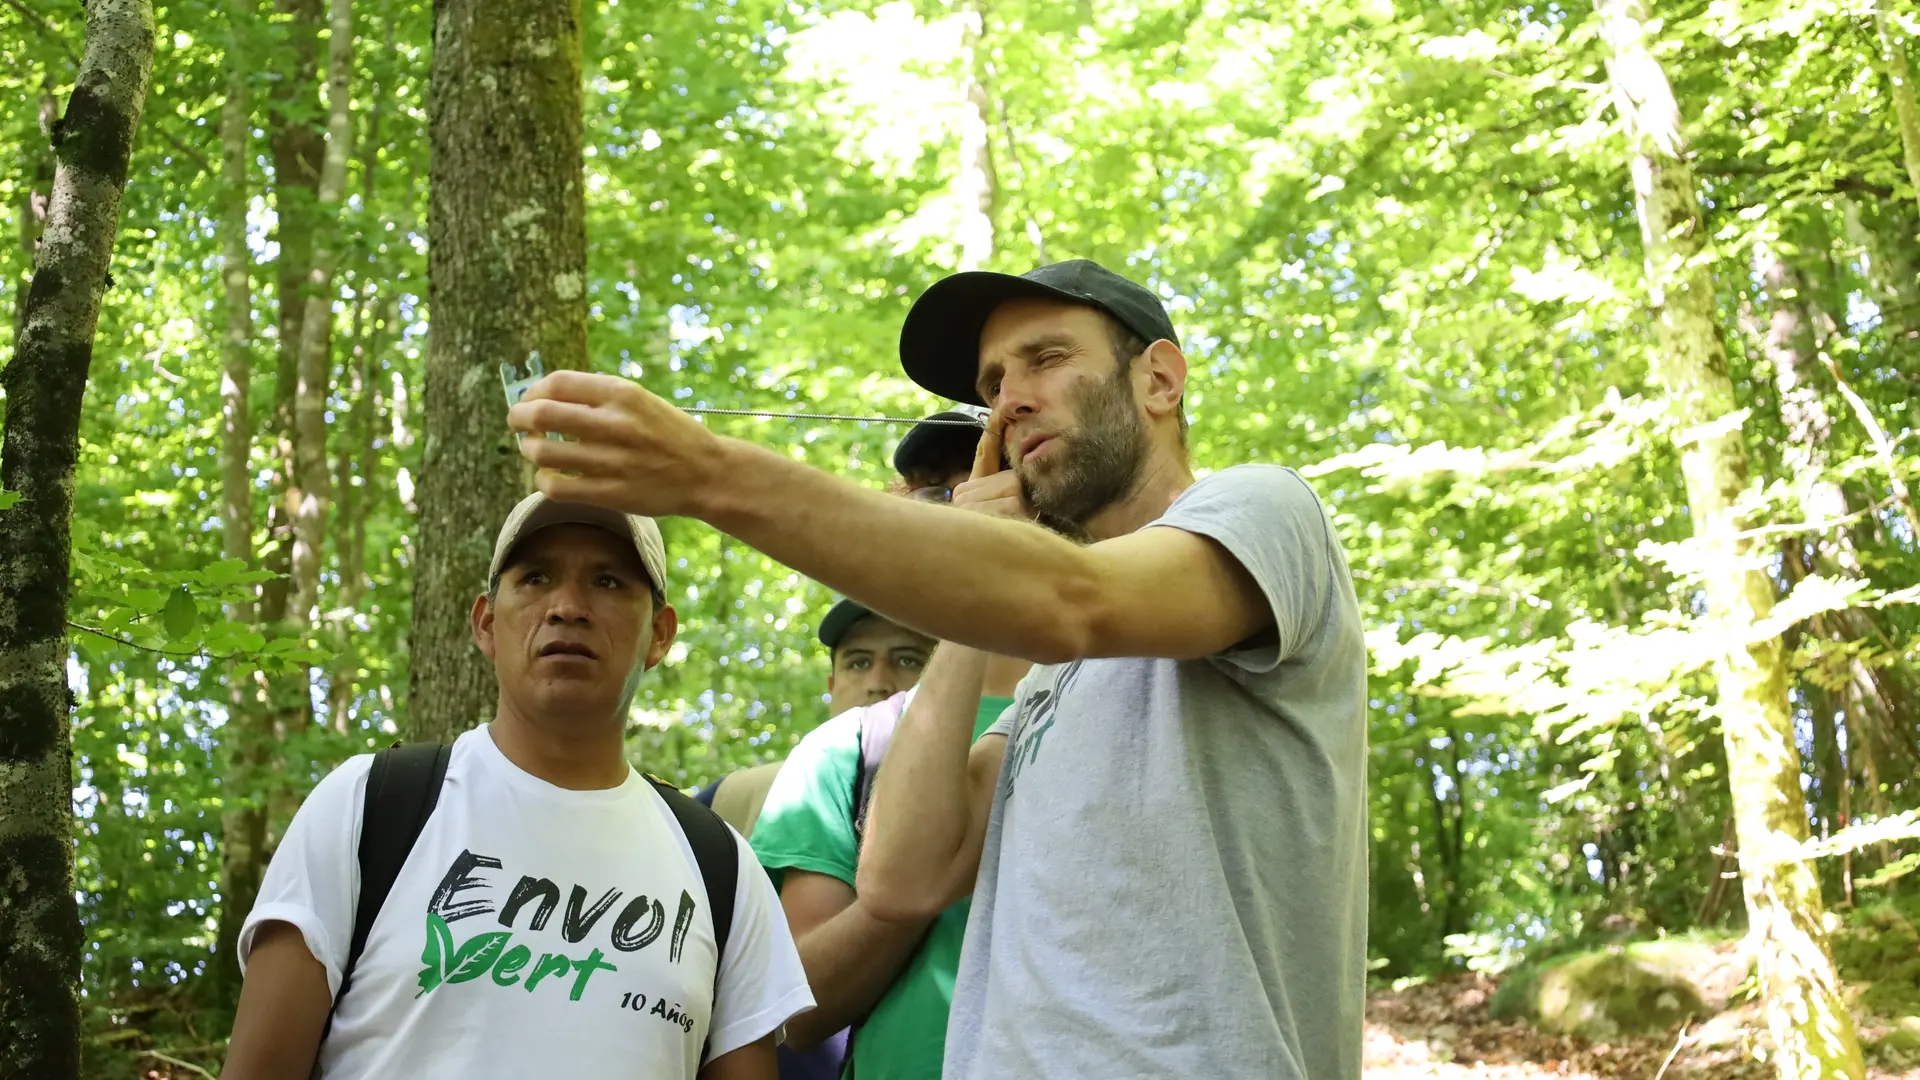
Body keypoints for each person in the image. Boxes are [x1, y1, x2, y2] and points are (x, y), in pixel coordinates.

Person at [506, 258, 1369, 1080]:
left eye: (1047, 359)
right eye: (992, 384)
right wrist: (975, 596)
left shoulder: (1264, 507)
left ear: (1159, 380)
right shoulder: (1049, 683)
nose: (1009, 404)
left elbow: (1080, 602)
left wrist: (709, 474)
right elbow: (905, 876)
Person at [221, 493, 815, 1080]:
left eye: (608, 582)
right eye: (535, 578)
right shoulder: (367, 807)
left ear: (659, 634)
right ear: (486, 622)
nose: (568, 607)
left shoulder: (722, 868)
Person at [746, 412, 1032, 1080]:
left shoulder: (1125, 691)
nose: (970, 508)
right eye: (940, 495)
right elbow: (794, 1011)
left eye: (999, 480)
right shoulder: (848, 746)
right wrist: (922, 864)